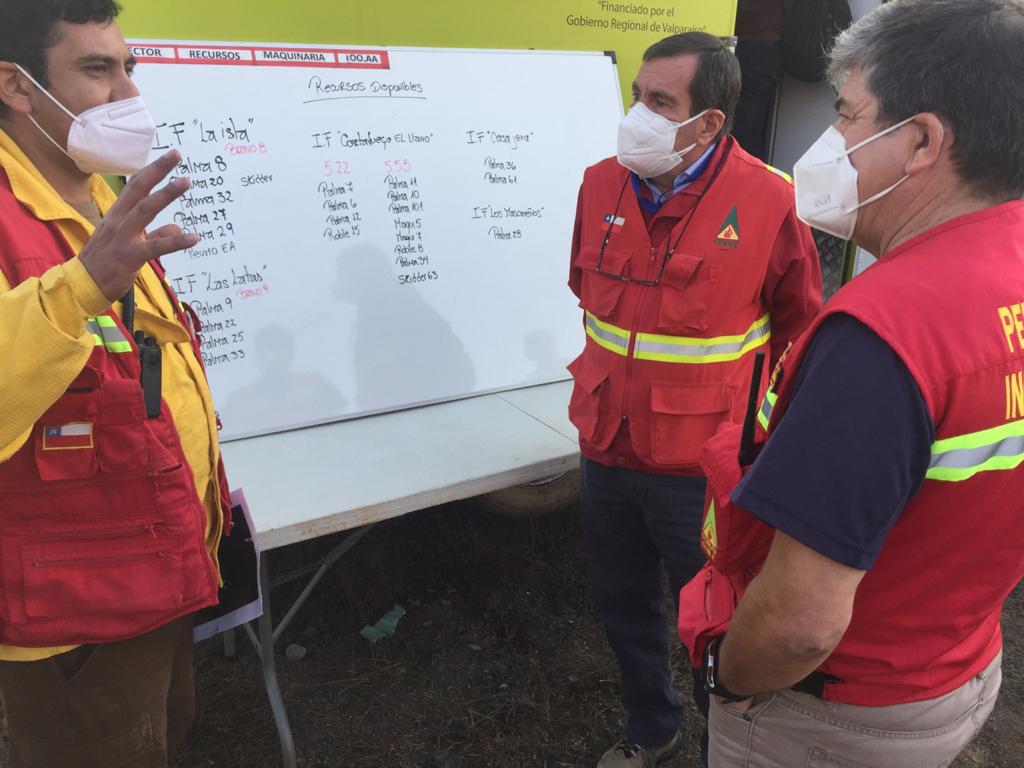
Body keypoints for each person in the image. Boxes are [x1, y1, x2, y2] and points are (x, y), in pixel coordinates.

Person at [682, 1, 1024, 766]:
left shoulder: (883, 334)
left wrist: (728, 678)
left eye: (847, 115)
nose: (829, 141)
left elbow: (799, 623)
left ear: (924, 141)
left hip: (833, 716)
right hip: (955, 665)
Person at [566, 32, 822, 768]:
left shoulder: (773, 203)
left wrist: (768, 450)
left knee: (719, 629)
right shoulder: (598, 183)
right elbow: (588, 297)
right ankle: (653, 733)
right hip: (605, 450)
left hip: (703, 472)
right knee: (624, 610)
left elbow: (800, 335)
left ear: (708, 123)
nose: (636, 115)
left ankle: (727, 753)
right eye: (636, 95)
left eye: (658, 102)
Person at [0, 2, 233, 765]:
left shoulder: (98, 192)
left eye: (129, 66)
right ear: (17, 86)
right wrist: (79, 287)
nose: (128, 93)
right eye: (98, 69)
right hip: (74, 612)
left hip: (156, 565)